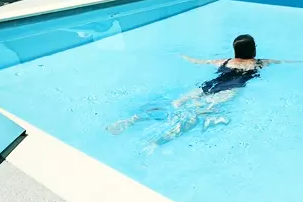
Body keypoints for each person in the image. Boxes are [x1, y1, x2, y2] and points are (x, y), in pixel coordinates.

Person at [107, 34, 284, 144]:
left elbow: (198, 61)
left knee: (176, 103)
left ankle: (134, 119)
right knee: (194, 114)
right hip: (228, 91)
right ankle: (157, 142)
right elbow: (281, 62)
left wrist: (181, 55)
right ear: (253, 50)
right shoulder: (259, 63)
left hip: (207, 86)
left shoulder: (224, 61)